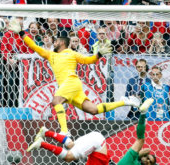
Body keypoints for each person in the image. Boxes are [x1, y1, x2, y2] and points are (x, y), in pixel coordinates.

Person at [9, 19, 140, 135]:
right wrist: (21, 33)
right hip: (71, 89)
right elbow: (34, 46)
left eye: (57, 41)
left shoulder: (71, 53)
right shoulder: (50, 55)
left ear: (62, 43)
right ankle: (125, 101)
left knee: (56, 101)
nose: (54, 43)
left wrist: (99, 54)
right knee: (93, 110)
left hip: (71, 82)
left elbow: (89, 61)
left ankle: (65, 131)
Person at [26, 98, 155, 165]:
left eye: (149, 162)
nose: (148, 161)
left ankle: (46, 132)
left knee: (71, 146)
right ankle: (42, 143)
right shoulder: (133, 160)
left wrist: (142, 157)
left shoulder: (133, 159)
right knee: (69, 157)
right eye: (149, 160)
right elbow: (143, 144)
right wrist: (142, 114)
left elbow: (145, 149)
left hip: (96, 145)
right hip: (98, 144)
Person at [118, 98, 156, 165]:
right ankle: (143, 113)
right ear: (143, 156)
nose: (148, 161)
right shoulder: (134, 157)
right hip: (130, 161)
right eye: (148, 158)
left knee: (140, 140)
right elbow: (147, 150)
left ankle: (143, 112)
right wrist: (140, 155)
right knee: (140, 139)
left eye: (150, 162)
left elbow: (146, 151)